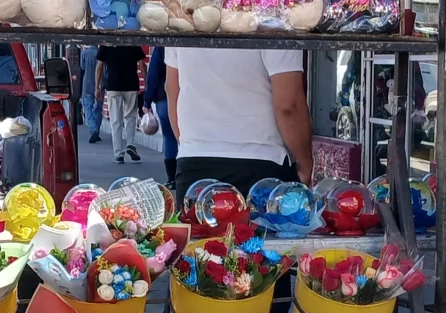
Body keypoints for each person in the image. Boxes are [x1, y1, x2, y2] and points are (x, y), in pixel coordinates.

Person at [165, 46, 312, 199]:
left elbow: (172, 89)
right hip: (261, 161)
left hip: (194, 160)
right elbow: (289, 106)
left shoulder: (179, 22)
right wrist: (305, 164)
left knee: (195, 222)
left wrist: (187, 143)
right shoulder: (277, 24)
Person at [98, 43, 146, 164]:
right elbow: (141, 64)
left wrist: (97, 87)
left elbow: (99, 66)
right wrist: (147, 82)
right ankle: (130, 144)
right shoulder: (131, 42)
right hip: (131, 85)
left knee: (115, 121)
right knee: (130, 117)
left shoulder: (106, 43)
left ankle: (118, 154)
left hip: (113, 87)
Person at [144, 44, 179, 187]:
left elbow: (153, 74)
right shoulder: (191, 44)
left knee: (169, 137)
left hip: (163, 97)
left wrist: (147, 100)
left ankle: (171, 178)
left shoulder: (162, 47)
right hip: (186, 95)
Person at [79, 44, 101, 144]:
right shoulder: (100, 53)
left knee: (88, 107)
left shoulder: (84, 54)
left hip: (87, 84)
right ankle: (97, 129)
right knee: (98, 108)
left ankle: (93, 129)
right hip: (100, 84)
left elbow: (82, 68)